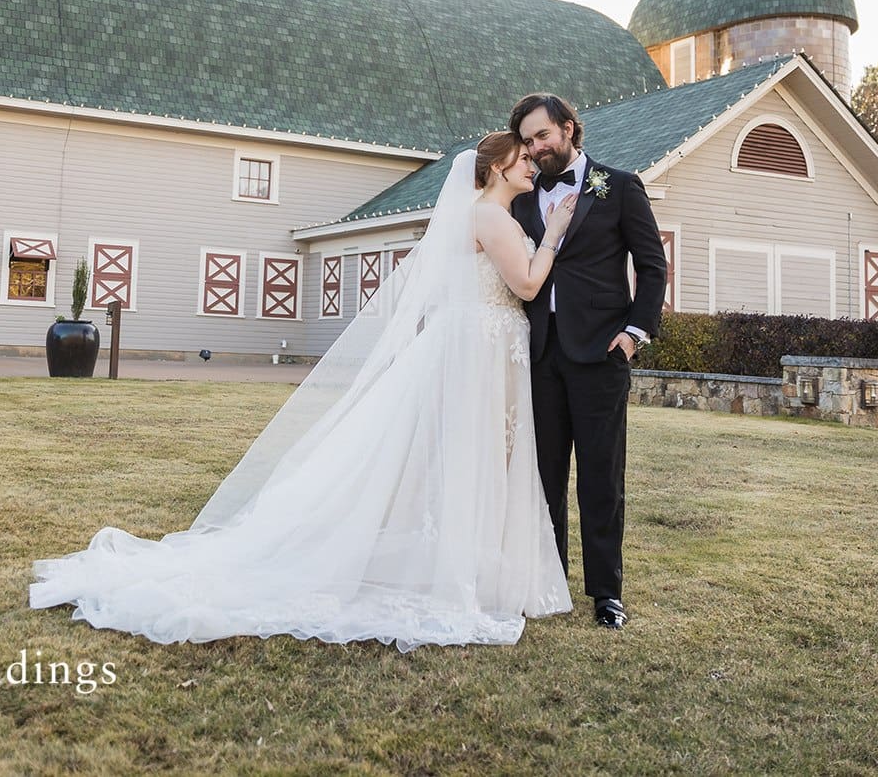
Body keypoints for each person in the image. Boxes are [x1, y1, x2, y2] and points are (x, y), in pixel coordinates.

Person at [31, 133, 579, 651]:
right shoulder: (490, 214)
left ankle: (466, 564)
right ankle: (470, 574)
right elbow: (528, 284)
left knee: (469, 455)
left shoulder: (478, 214)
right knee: (478, 455)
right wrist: (554, 233)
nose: (532, 163)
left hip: (479, 344)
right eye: (523, 158)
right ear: (497, 167)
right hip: (483, 345)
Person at [509, 93, 667, 630]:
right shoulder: (522, 197)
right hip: (539, 353)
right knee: (543, 477)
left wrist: (633, 334)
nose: (535, 148)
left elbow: (652, 266)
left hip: (601, 354)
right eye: (527, 141)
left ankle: (607, 593)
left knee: (602, 478)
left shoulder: (619, 187)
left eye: (542, 136)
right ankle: (549, 583)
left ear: (569, 130)